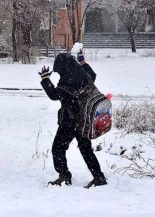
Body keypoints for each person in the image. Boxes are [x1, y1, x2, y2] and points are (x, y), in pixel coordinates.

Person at [39, 50, 107, 189]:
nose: (59, 74)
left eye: (59, 71)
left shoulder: (66, 83)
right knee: (86, 149)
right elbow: (93, 74)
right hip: (84, 121)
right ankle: (98, 177)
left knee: (58, 148)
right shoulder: (85, 76)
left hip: (69, 123)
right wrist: (82, 62)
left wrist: (45, 79)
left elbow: (54, 95)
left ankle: (64, 176)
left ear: (63, 68)